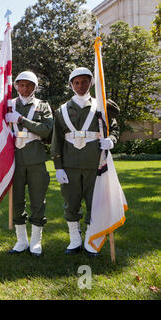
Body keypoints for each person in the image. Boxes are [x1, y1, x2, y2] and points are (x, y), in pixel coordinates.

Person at [51, 67, 119, 256]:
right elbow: (57, 140)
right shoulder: (61, 111)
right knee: (71, 204)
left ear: (91, 83)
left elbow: (113, 129)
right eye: (77, 82)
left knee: (94, 204)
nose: (81, 86)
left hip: (95, 164)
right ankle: (74, 240)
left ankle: (91, 239)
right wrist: (58, 167)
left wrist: (110, 141)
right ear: (71, 85)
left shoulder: (101, 106)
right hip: (70, 166)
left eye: (85, 81)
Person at [5, 71, 53, 257]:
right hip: (14, 160)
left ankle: (35, 242)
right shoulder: (9, 106)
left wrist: (21, 120)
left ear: (35, 87)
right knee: (17, 200)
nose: (25, 89)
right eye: (21, 85)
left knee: (37, 200)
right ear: (16, 86)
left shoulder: (42, 106)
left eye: (29, 85)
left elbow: (47, 130)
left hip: (35, 159)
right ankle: (21, 241)